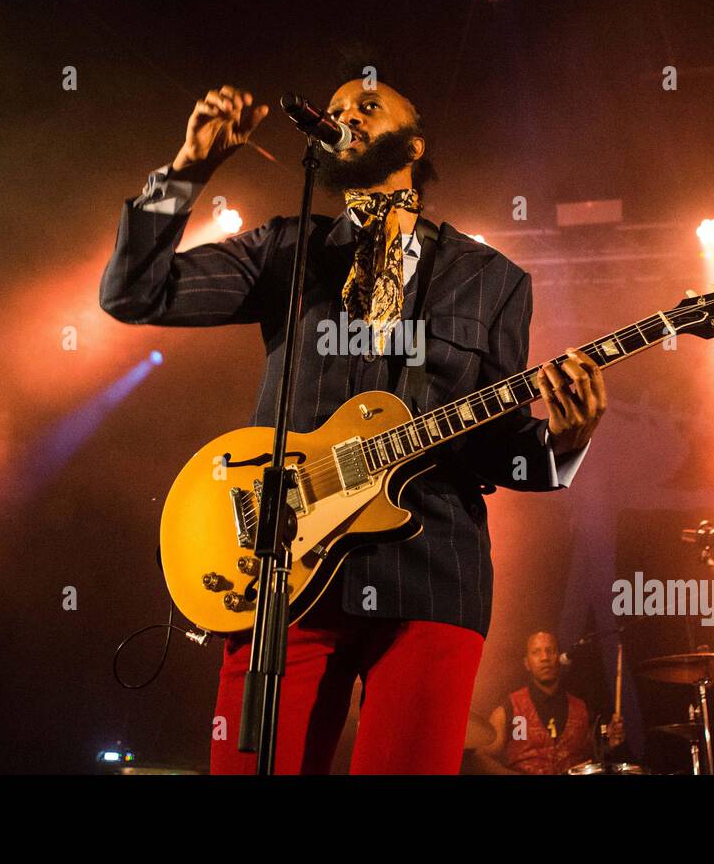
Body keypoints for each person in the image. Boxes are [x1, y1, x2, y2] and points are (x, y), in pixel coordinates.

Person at [100, 73, 608, 773]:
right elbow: (133, 292)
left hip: (430, 574)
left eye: (368, 106)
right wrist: (188, 171)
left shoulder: (492, 279)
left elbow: (498, 449)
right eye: (336, 110)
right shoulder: (286, 249)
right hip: (284, 569)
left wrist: (566, 440)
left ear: (415, 141)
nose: (345, 116)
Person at [475, 630, 625, 775]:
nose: (544, 657)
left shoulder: (582, 710)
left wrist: (608, 744)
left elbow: (595, 758)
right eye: (536, 652)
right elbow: (481, 757)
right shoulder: (509, 709)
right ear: (527, 663)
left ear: (559, 658)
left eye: (550, 650)